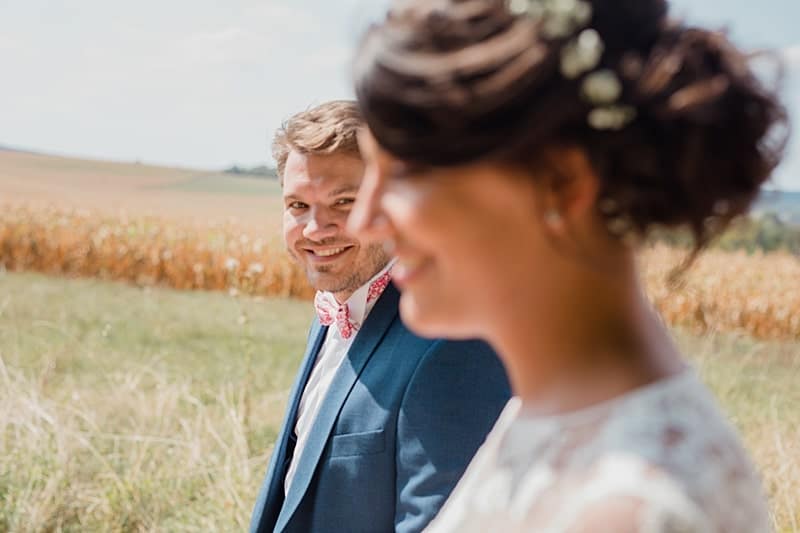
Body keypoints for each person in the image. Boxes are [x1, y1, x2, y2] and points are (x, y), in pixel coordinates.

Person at [348, 1, 787, 531]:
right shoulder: (561, 406)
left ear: (561, 180)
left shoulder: (629, 509)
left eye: (407, 172)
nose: (364, 221)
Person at [249, 100, 510, 533]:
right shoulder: (336, 305)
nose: (315, 229)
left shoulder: (451, 344)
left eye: (343, 203)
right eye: (298, 206)